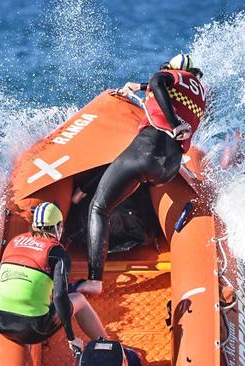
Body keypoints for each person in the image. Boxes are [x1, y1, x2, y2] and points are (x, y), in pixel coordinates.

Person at [78, 54, 207, 295]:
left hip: (147, 151)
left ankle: (94, 280)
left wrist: (172, 122)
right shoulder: (198, 94)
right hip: (168, 167)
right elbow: (165, 88)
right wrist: (139, 87)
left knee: (99, 208)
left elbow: (158, 82)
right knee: (133, 182)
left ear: (170, 68)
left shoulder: (167, 76)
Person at [0, 202, 108, 353]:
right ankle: (106, 344)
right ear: (59, 227)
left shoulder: (14, 242)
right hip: (34, 330)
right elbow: (59, 298)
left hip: (0, 324)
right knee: (79, 299)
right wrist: (72, 338)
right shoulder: (58, 253)